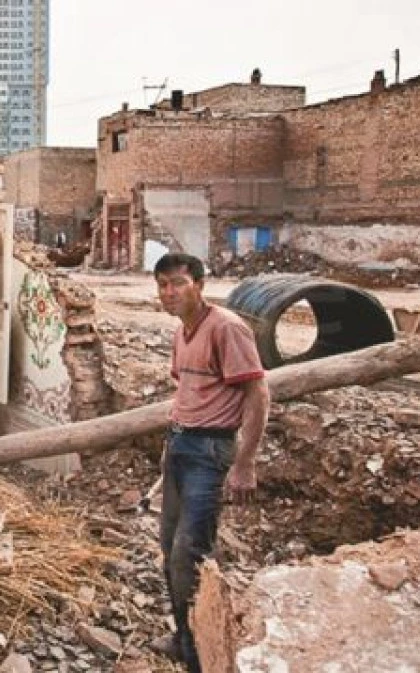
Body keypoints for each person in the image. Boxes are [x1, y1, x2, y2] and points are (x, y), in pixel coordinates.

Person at [150, 253, 269, 671]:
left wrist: (245, 463)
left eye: (178, 283)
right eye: (162, 285)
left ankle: (202, 655)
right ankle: (184, 637)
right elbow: (188, 390)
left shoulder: (226, 328)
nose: (169, 292)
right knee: (169, 548)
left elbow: (258, 394)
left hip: (210, 452)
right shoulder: (182, 331)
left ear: (199, 285)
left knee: (190, 552)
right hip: (180, 446)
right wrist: (172, 440)